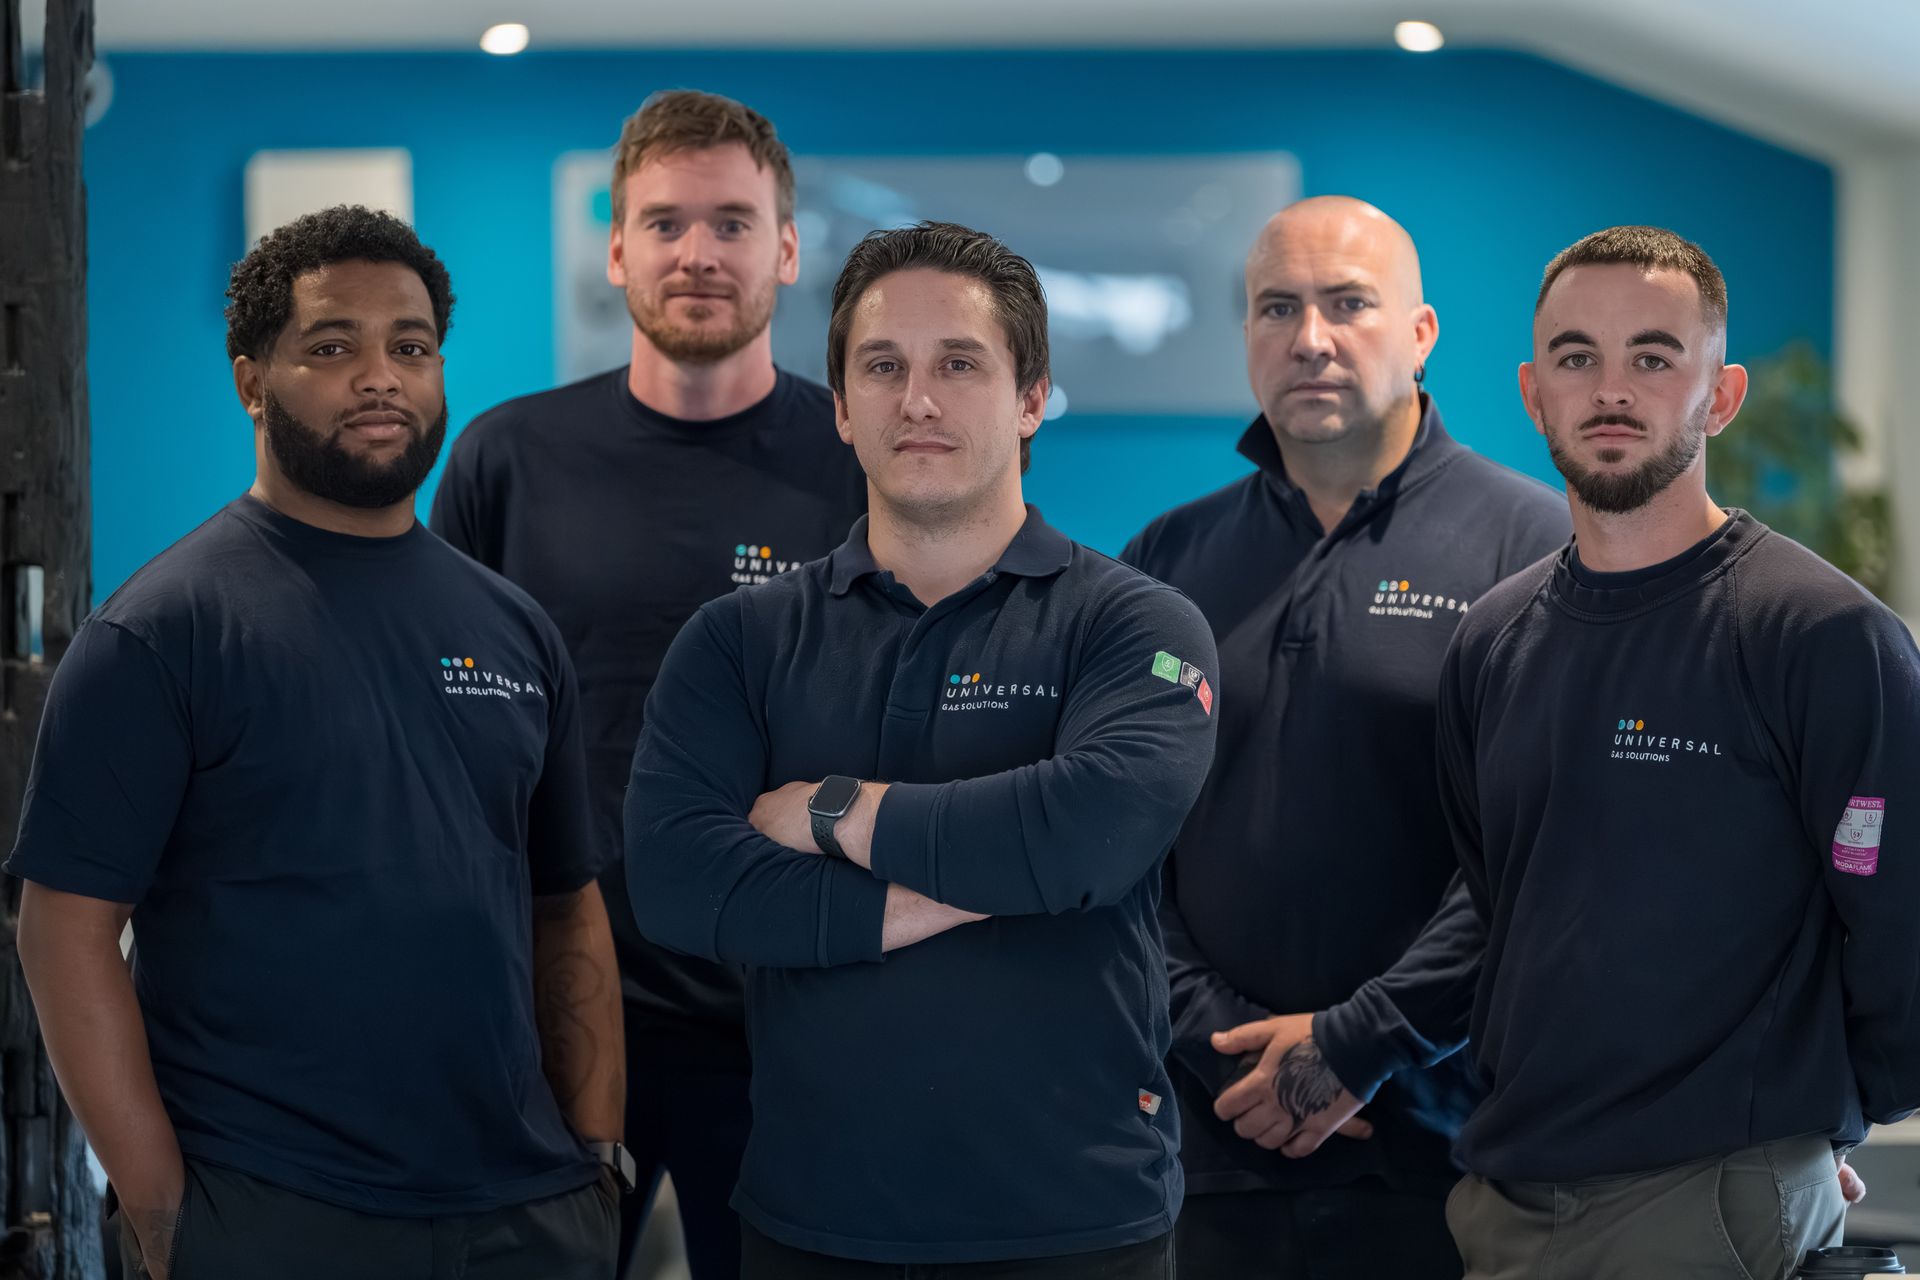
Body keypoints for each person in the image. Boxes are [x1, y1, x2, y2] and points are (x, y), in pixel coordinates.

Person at [7, 206, 625, 1279]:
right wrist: (166, 1218)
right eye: (333, 347)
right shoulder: (161, 632)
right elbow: (62, 933)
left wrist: (599, 1161)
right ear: (252, 382)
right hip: (270, 1210)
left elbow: (565, 906)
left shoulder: (514, 628)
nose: (380, 376)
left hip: (526, 1215)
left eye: (411, 347)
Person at [625, 221, 1218, 1276]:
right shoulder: (741, 639)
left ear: (1031, 399)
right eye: (883, 367)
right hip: (809, 1220)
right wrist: (996, 878)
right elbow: (676, 881)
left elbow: (1084, 835)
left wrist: (829, 812)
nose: (919, 400)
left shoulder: (1136, 625)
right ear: (842, 406)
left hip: (1079, 1222)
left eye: (959, 364)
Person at [430, 89, 865, 1279]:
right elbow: (447, 732)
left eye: (732, 223)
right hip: (556, 1009)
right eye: (665, 223)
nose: (698, 254)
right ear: (617, 249)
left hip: (788, 1017)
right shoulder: (509, 460)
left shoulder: (860, 464)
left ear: (786, 249)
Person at [1436, 225, 1915, 1278]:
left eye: (1653, 357)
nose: (1611, 388)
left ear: (1722, 395)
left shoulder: (1822, 634)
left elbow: (1902, 931)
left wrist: (1816, 1122)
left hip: (1714, 1199)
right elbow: (1503, 904)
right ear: (1533, 393)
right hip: (1505, 1201)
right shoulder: (1492, 639)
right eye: (1577, 357)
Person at [1122, 195, 1568, 1276]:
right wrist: (1222, 1042)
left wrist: (1355, 1044)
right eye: (1278, 307)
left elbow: (1535, 854)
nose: (1310, 338)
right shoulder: (1165, 562)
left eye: (1348, 303)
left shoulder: (1534, 546)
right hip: (1207, 1145)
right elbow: (1123, 841)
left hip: (1448, 1151)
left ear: (1420, 334)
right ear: (1247, 334)